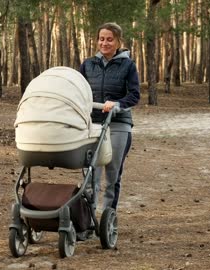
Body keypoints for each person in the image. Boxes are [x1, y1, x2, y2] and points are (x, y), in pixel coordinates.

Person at [79, 22, 140, 212]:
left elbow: (134, 95)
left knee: (112, 172)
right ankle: (88, 219)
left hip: (118, 124)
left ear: (118, 41)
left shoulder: (128, 65)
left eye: (109, 39)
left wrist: (117, 104)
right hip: (93, 124)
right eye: (101, 39)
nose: (104, 43)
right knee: (91, 172)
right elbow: (80, 91)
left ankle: (108, 217)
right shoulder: (88, 64)